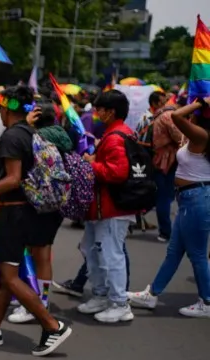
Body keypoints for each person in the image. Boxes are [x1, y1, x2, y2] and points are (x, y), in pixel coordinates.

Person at [0, 86, 72, 356]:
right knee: (6, 274)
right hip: (27, 213)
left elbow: (13, 179)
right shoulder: (29, 132)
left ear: (6, 107)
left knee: (10, 277)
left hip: (14, 214)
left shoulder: (12, 136)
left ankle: (52, 325)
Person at [127, 96, 210, 318]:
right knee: (174, 252)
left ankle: (207, 301)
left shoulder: (201, 135)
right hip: (188, 198)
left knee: (198, 254)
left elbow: (175, 115)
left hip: (197, 198)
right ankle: (152, 293)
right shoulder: (194, 135)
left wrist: (200, 101)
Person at [76, 89, 138, 323]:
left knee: (111, 255)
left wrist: (92, 163)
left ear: (111, 112)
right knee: (91, 250)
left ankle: (120, 303)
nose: (96, 113)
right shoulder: (119, 133)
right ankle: (102, 295)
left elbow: (117, 173)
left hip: (112, 208)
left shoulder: (114, 137)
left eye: (100, 109)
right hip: (105, 208)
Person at [7, 101, 70, 324]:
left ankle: (35, 303)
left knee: (33, 254)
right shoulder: (61, 135)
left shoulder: (34, 138)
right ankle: (40, 299)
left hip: (36, 202)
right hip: (57, 201)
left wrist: (24, 124)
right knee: (43, 254)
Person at [151, 95, 183, 242]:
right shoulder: (168, 116)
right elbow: (180, 138)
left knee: (164, 196)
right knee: (165, 197)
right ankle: (166, 231)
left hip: (159, 160)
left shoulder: (157, 116)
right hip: (168, 161)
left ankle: (166, 231)